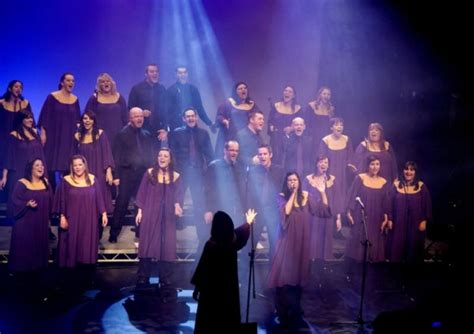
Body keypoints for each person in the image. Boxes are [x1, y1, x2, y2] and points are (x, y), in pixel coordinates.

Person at [267, 172, 330, 327]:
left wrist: (322, 192)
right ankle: (281, 309)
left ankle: (295, 309)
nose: (292, 182)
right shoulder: (281, 196)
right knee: (282, 273)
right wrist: (293, 194)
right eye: (289, 180)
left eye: (295, 180)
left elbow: (323, 210)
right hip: (286, 238)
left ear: (299, 181)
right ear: (286, 182)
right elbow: (286, 212)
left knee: (298, 274)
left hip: (301, 239)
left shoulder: (306, 197)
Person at [191, 209, 257, 334]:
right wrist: (248, 223)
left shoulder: (211, 245)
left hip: (210, 296)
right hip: (227, 294)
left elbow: (202, 269)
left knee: (209, 323)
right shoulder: (230, 245)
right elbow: (239, 235)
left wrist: (197, 289)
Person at [55, 155, 107, 288]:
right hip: (72, 218)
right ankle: (70, 279)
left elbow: (99, 197)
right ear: (72, 167)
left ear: (85, 165)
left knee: (86, 245)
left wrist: (104, 213)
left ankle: (86, 278)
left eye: (80, 164)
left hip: (89, 219)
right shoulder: (66, 180)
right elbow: (62, 200)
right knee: (72, 245)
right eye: (75, 165)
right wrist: (62, 216)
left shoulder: (92, 179)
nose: (78, 167)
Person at [135, 148, 184, 287]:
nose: (162, 158)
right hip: (150, 212)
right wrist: (140, 211)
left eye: (165, 156)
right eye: (160, 155)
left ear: (170, 159)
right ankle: (143, 276)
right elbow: (142, 193)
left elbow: (178, 196)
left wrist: (177, 206)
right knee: (147, 244)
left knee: (167, 245)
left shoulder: (176, 176)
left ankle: (165, 276)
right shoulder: (150, 173)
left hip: (167, 215)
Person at [169, 108, 214, 256]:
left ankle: (202, 232)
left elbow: (209, 154)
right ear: (183, 119)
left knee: (199, 202)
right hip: (182, 172)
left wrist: (209, 171)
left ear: (196, 117)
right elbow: (172, 152)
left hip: (197, 172)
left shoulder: (203, 133)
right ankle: (175, 226)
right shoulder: (176, 133)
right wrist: (174, 170)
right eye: (187, 116)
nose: (190, 118)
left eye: (192, 116)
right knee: (177, 200)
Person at [110, 107, 155, 243]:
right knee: (122, 203)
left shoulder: (146, 134)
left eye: (141, 116)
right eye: (136, 116)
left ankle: (140, 231)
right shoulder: (122, 134)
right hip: (126, 173)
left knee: (140, 204)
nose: (139, 118)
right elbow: (116, 157)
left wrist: (151, 171)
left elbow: (151, 155)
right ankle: (114, 232)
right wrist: (116, 176)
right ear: (130, 118)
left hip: (142, 174)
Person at [345, 156, 391, 278]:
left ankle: (370, 276)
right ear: (367, 165)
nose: (375, 167)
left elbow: (386, 202)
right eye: (372, 164)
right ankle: (354, 275)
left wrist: (385, 219)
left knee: (374, 247)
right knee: (358, 246)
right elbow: (352, 196)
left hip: (377, 217)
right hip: (361, 216)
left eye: (377, 164)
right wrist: (349, 213)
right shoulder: (360, 178)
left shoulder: (384, 182)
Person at [8, 158, 52, 274]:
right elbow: (14, 201)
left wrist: (50, 220)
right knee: (25, 246)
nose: (41, 167)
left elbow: (50, 200)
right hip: (25, 222)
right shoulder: (22, 183)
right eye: (37, 165)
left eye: (42, 165)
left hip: (40, 221)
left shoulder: (46, 182)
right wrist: (26, 204)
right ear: (31, 169)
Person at [303, 156, 341, 287]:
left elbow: (336, 200)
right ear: (316, 163)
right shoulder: (308, 179)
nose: (324, 164)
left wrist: (338, 217)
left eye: (326, 162)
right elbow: (304, 198)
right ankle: (308, 276)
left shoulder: (332, 180)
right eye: (321, 162)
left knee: (324, 246)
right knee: (311, 244)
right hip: (312, 217)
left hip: (327, 217)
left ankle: (320, 277)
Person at [38, 73, 81, 180]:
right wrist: (43, 133)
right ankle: (50, 191)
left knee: (68, 163)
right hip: (54, 135)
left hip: (69, 136)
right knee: (50, 161)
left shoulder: (75, 99)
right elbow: (45, 116)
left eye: (73, 81)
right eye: (68, 80)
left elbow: (77, 120)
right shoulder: (52, 97)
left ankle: (67, 190)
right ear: (62, 83)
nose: (71, 83)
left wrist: (78, 133)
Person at [389, 161, 432, 263]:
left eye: (411, 170)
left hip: (415, 224)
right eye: (406, 169)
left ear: (415, 172)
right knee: (397, 252)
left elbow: (427, 205)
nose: (408, 172)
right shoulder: (396, 185)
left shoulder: (421, 186)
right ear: (402, 171)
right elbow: (389, 204)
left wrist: (424, 220)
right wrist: (390, 219)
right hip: (398, 224)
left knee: (413, 252)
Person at [246, 145, 283, 258]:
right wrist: (249, 212)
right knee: (250, 245)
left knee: (274, 245)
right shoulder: (253, 172)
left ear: (270, 155)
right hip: (257, 212)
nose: (262, 156)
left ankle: (272, 274)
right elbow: (248, 193)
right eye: (260, 154)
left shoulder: (279, 170)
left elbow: (283, 190)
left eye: (265, 154)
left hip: (273, 211)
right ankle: (246, 273)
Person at [75, 111, 115, 214]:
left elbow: (107, 152)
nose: (87, 121)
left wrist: (109, 171)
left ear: (94, 121)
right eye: (85, 118)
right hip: (84, 173)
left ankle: (99, 227)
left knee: (99, 199)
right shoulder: (78, 136)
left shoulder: (100, 134)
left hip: (99, 171)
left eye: (90, 118)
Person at [2, 110, 45, 203]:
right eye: (27, 118)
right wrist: (4, 176)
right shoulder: (14, 135)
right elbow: (8, 157)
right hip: (20, 172)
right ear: (21, 120)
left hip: (36, 173)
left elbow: (41, 154)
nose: (31, 120)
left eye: (31, 117)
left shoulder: (35, 134)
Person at [0, 80, 33, 199]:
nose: (18, 89)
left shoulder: (24, 103)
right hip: (3, 139)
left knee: (15, 167)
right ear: (10, 89)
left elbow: (30, 120)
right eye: (16, 86)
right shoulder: (2, 103)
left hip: (18, 139)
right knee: (4, 163)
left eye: (21, 87)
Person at [204, 140, 246, 225]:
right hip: (219, 209)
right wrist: (208, 210)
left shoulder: (240, 167)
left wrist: (245, 210)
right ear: (225, 150)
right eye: (232, 150)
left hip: (236, 210)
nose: (234, 153)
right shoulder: (214, 167)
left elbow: (243, 190)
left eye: (236, 151)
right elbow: (207, 190)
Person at [214, 82, 260, 155]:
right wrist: (224, 121)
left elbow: (258, 115)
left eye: (245, 88)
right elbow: (219, 116)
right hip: (232, 134)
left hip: (246, 136)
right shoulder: (228, 103)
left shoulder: (251, 104)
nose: (243, 90)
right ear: (235, 92)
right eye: (240, 89)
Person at [84, 73, 128, 143]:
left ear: (112, 83)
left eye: (108, 81)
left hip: (118, 135)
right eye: (103, 82)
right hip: (100, 135)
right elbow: (87, 116)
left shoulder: (119, 97)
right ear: (99, 85)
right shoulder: (94, 98)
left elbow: (125, 117)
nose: (106, 83)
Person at [166, 66, 213, 131]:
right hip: (175, 126)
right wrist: (166, 127)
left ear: (187, 74)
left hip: (191, 125)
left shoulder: (193, 89)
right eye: (180, 73)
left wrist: (209, 123)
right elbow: (167, 111)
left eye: (184, 72)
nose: (182, 75)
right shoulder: (170, 90)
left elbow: (200, 108)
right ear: (175, 75)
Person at [128, 64, 167, 140]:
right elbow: (130, 108)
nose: (155, 74)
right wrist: (141, 113)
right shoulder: (137, 88)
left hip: (157, 130)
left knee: (156, 151)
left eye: (156, 72)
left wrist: (165, 128)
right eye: (152, 72)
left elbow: (166, 110)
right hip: (140, 129)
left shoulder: (162, 89)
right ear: (146, 74)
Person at [267, 86, 302, 163]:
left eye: (290, 92)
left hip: (291, 139)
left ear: (293, 96)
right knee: (276, 159)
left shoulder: (298, 109)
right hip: (277, 138)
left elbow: (302, 124)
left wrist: (292, 128)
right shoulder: (276, 107)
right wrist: (271, 127)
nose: (287, 93)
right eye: (285, 91)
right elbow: (270, 121)